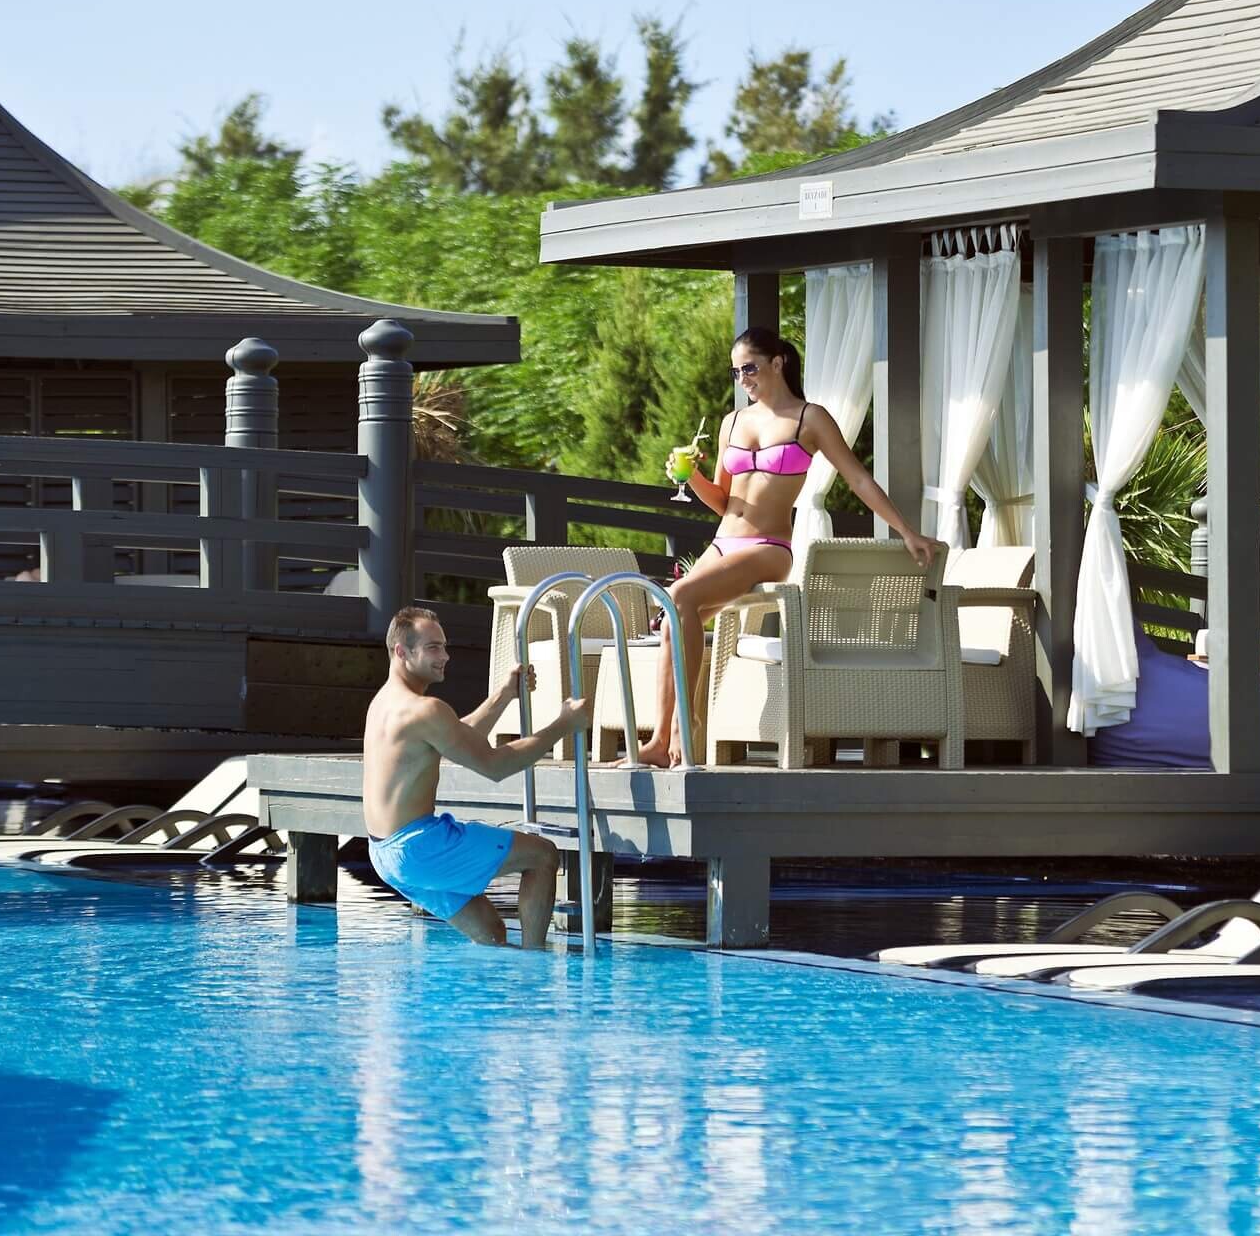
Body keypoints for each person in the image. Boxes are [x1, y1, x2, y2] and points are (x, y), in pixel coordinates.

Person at [630, 326, 937, 768]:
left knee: (679, 596)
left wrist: (905, 530)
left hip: (769, 546)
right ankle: (660, 741)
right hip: (724, 542)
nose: (743, 379)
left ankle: (684, 726)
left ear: (777, 363)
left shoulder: (809, 419)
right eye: (736, 372)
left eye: (750, 368)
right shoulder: (732, 422)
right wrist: (690, 478)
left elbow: (858, 478)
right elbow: (723, 501)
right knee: (672, 617)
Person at [363, 604, 592, 948]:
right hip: (419, 847)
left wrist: (504, 694)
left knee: (492, 933)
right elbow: (495, 766)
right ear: (401, 652)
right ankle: (534, 969)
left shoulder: (384, 703)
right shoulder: (425, 710)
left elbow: (456, 736)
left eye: (444, 646)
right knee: (543, 856)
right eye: (433, 648)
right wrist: (564, 724)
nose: (445, 656)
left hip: (384, 854)